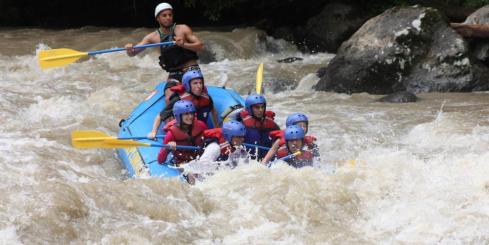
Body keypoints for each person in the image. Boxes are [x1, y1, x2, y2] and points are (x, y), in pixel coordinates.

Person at [125, 2, 204, 82]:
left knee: (192, 88)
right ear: (157, 18)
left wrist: (184, 44)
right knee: (169, 93)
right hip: (174, 73)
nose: (168, 17)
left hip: (191, 69)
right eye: (164, 15)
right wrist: (129, 49)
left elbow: (200, 46)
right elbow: (132, 53)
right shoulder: (152, 37)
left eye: (170, 15)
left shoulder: (183, 29)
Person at [148, 70, 218, 139]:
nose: (199, 86)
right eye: (195, 83)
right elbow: (160, 116)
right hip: (183, 133)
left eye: (200, 83)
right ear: (187, 85)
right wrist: (153, 132)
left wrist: (217, 128)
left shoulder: (206, 98)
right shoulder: (179, 100)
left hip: (200, 131)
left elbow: (213, 112)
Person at [157, 100, 207, 168]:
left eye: (191, 113)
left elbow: (209, 140)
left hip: (201, 158)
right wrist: (167, 148)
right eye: (186, 114)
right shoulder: (171, 134)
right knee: (191, 174)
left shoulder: (201, 125)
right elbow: (160, 160)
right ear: (178, 116)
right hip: (183, 163)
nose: (190, 116)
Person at [238, 94, 280, 160]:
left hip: (267, 160)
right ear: (249, 109)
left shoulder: (271, 124)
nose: (261, 110)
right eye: (257, 107)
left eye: (262, 107)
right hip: (248, 160)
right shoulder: (243, 125)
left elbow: (280, 140)